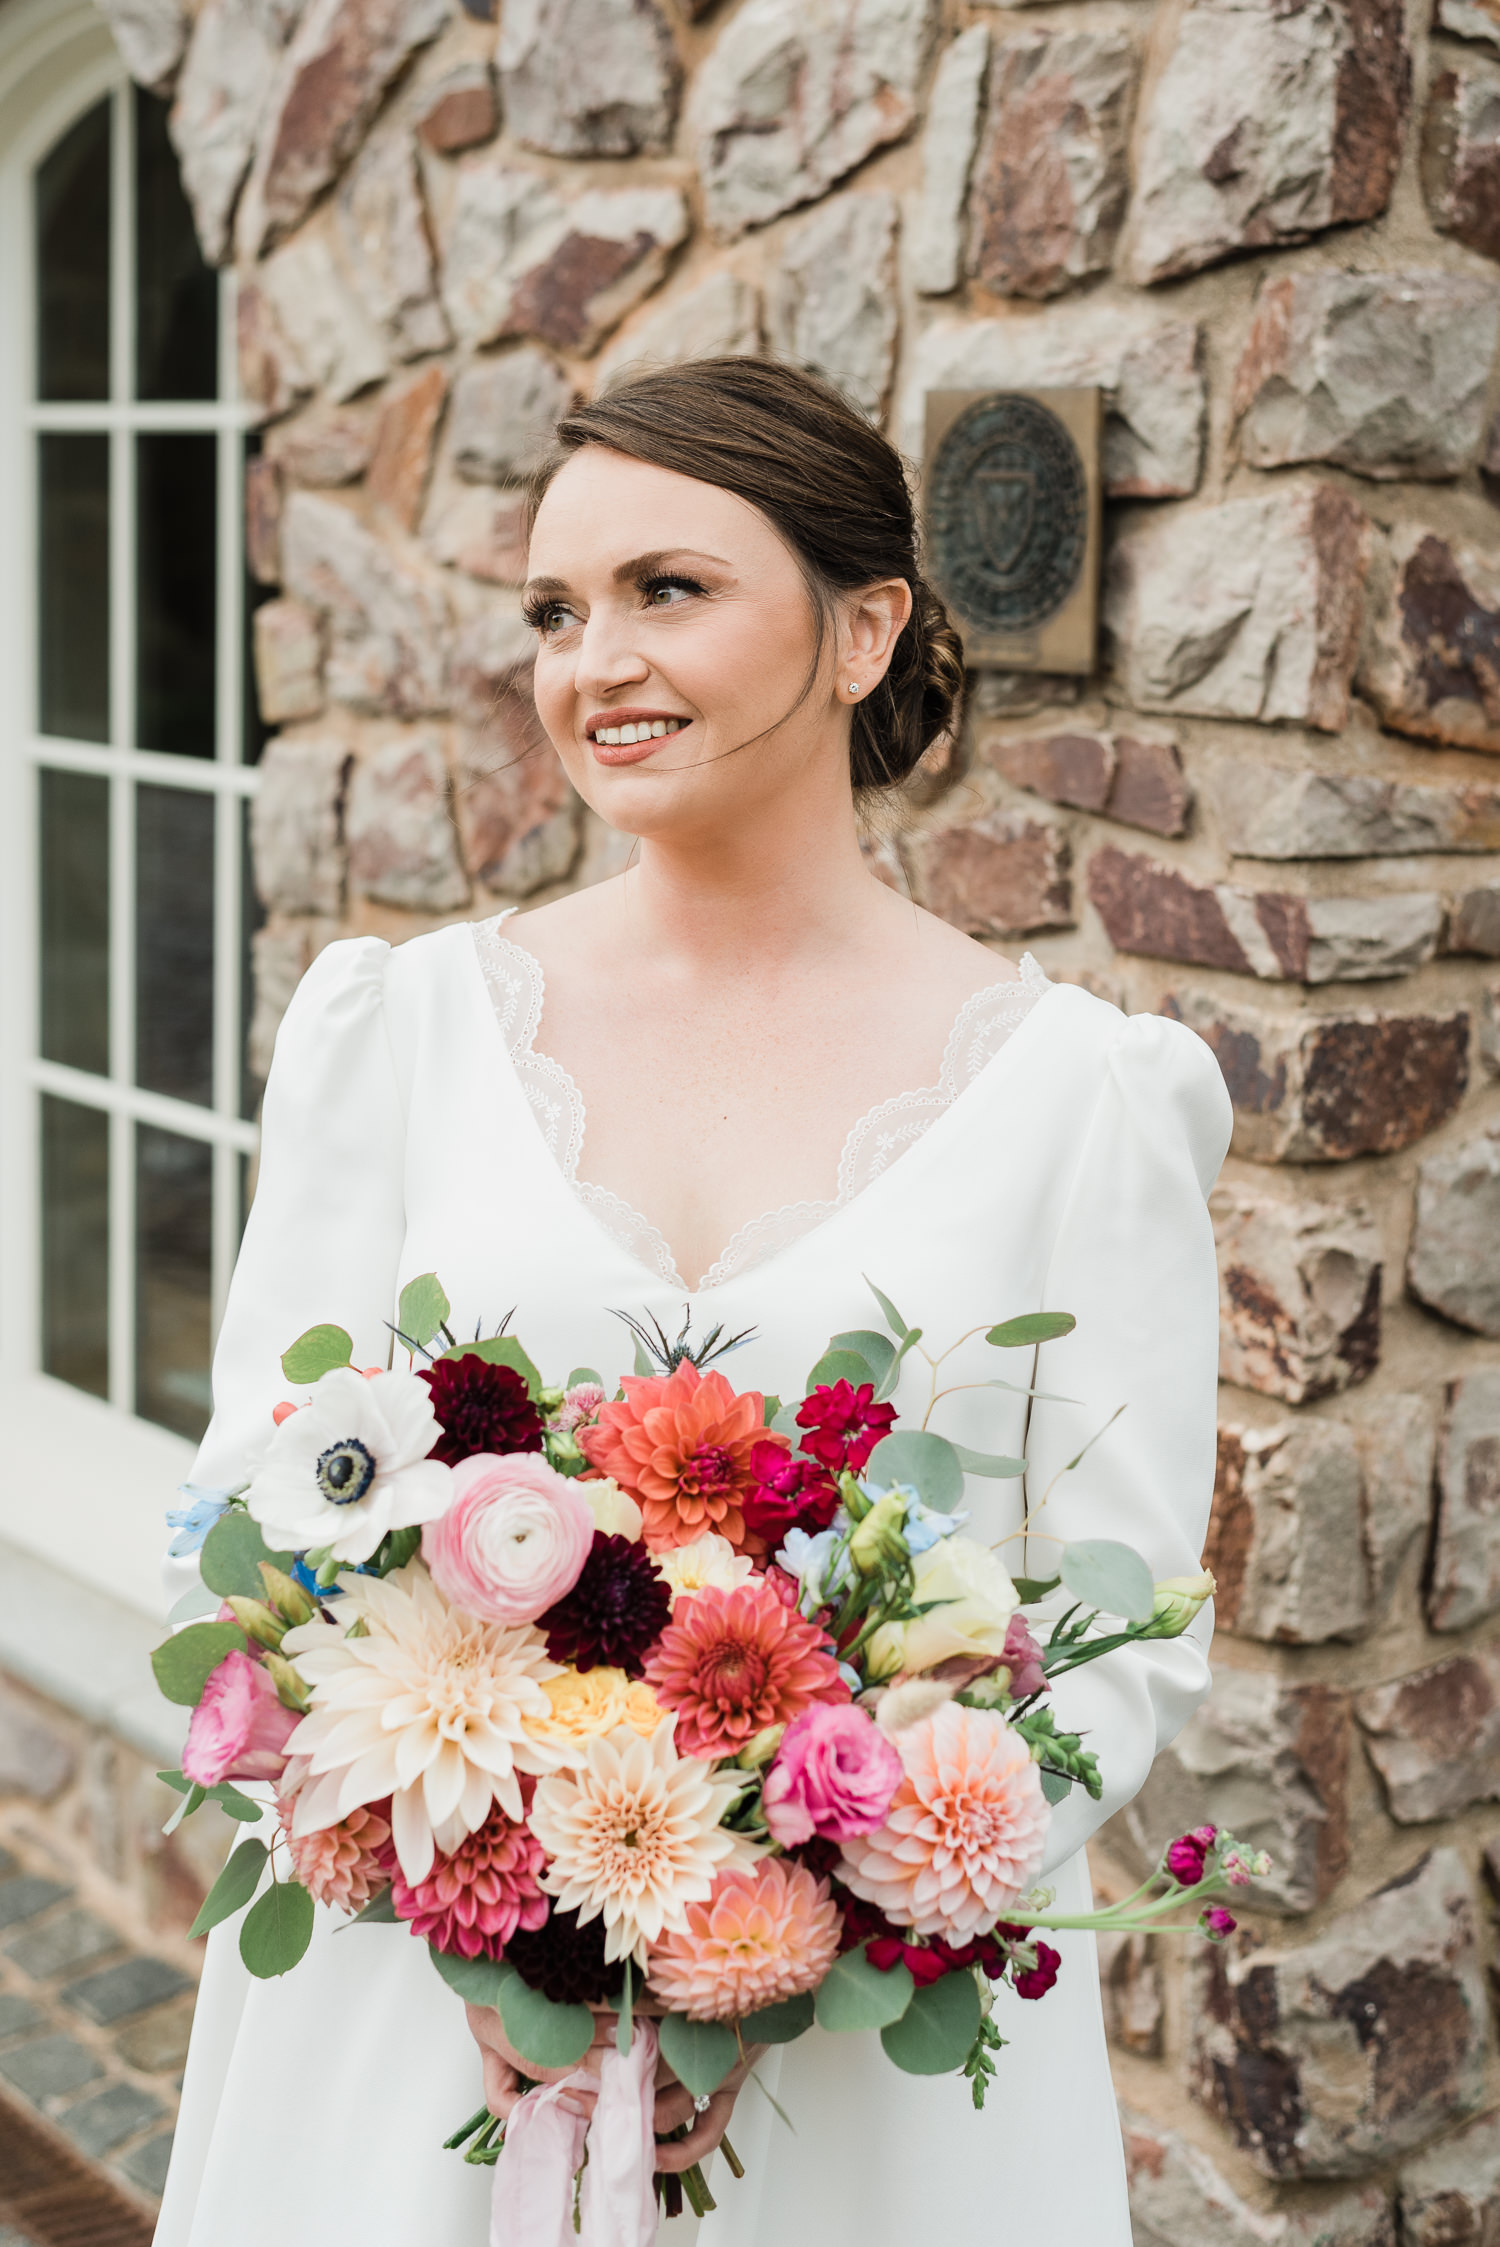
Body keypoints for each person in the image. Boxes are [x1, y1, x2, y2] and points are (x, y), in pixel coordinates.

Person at [155, 357, 1231, 2246]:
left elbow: (1117, 1629)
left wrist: (818, 1906)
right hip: (422, 2025)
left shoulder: (1085, 1099)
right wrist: (505, 1916)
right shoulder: (398, 1035)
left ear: (863, 626)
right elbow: (259, 1515)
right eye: (556, 612)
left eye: (670, 589)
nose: (593, 665)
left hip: (860, 2084)